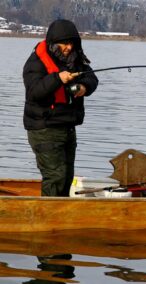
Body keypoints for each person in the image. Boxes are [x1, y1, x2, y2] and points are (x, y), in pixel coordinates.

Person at [23, 19, 98, 196]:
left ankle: (60, 216)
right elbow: (34, 92)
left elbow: (91, 77)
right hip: (44, 127)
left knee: (66, 177)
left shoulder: (75, 59)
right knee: (55, 176)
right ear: (53, 43)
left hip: (67, 127)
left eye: (71, 43)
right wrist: (57, 79)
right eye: (64, 43)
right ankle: (47, 218)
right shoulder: (35, 63)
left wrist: (83, 87)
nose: (68, 47)